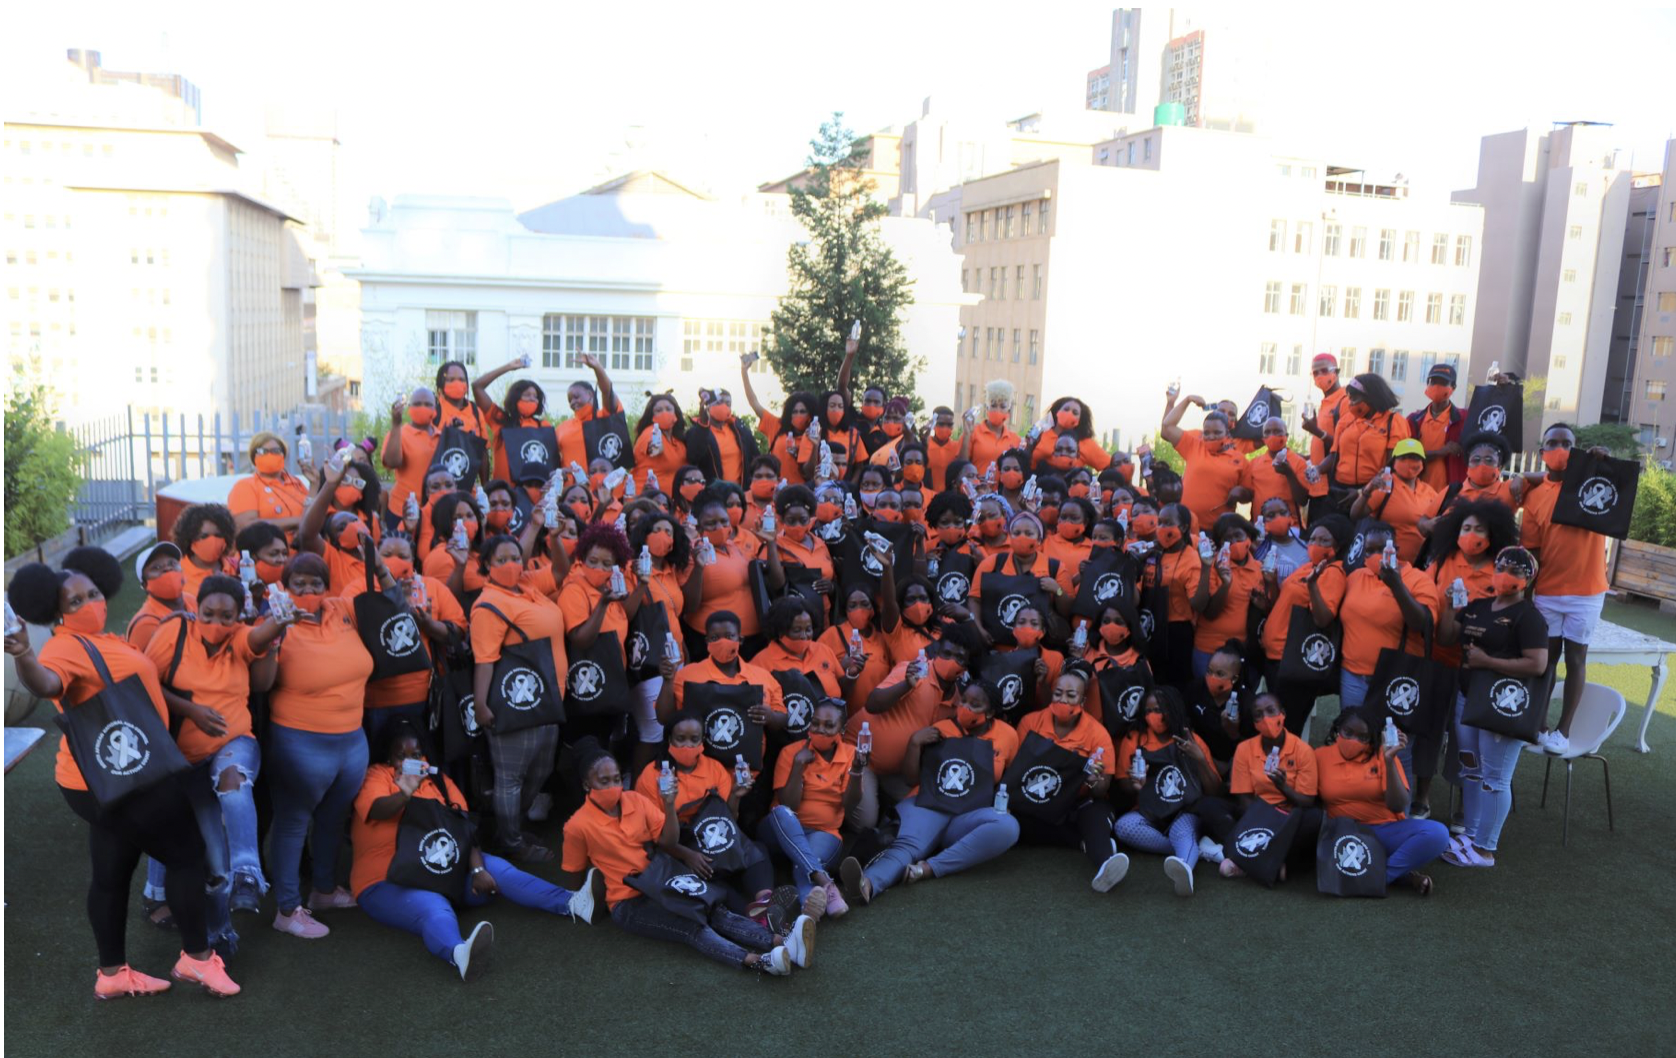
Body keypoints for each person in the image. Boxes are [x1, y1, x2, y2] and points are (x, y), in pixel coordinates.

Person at [5, 548, 241, 998]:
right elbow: (48, 682)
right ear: (55, 611)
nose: (90, 602)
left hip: (105, 780)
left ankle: (112, 975)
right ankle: (197, 959)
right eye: (75, 601)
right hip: (120, 778)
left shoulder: (106, 639)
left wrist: (187, 708)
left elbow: (139, 686)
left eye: (92, 592)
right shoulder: (63, 648)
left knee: (112, 871)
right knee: (188, 855)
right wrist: (24, 657)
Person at [352, 720, 601, 981]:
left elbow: (464, 829)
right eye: (400, 755)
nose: (409, 761)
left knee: (500, 870)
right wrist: (405, 792)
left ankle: (574, 903)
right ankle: (459, 953)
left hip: (442, 872)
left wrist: (478, 868)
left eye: (415, 754)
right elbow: (376, 809)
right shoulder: (377, 775)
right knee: (433, 906)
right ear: (388, 756)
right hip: (385, 880)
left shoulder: (437, 779)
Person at [560, 742, 811, 975]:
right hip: (629, 903)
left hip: (663, 880)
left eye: (616, 779)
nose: (613, 787)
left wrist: (669, 805)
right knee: (692, 927)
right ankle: (759, 962)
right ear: (586, 785)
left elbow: (668, 841)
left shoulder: (635, 800)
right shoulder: (577, 826)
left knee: (715, 910)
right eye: (604, 781)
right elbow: (574, 881)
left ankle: (784, 942)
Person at [140, 575, 286, 940]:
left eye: (226, 616)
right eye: (208, 613)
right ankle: (205, 927)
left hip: (232, 743)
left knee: (234, 783)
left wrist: (277, 625)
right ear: (195, 609)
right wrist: (190, 709)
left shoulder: (239, 637)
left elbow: (256, 644)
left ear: (238, 617)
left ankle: (248, 874)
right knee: (193, 843)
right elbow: (144, 682)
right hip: (179, 754)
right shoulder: (173, 631)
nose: (216, 623)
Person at [266, 550, 376, 939]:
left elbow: (385, 599)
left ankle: (325, 890)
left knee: (334, 816)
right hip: (299, 740)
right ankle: (287, 909)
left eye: (316, 583)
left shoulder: (343, 608)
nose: (309, 590)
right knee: (294, 822)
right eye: (300, 584)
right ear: (285, 587)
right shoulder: (276, 621)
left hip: (351, 738)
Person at [840, 679, 1021, 903]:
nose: (965, 708)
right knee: (907, 847)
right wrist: (915, 743)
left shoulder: (1008, 735)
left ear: (991, 711)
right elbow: (911, 778)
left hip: (966, 814)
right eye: (963, 701)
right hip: (928, 804)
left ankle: (929, 868)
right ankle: (867, 884)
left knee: (1008, 826)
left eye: (975, 704)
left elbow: (1008, 777)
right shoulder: (941, 729)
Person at [1437, 547, 1548, 868]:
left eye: (1515, 570)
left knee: (1494, 778)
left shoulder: (1529, 617)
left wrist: (1488, 662)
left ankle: (1485, 849)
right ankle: (1471, 836)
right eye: (1501, 566)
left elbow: (1538, 664)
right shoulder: (1478, 606)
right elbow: (1447, 637)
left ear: (1528, 579)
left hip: (1501, 705)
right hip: (1467, 699)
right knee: (1471, 771)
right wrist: (1447, 607)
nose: (1505, 574)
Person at [470, 533, 567, 861]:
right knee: (510, 779)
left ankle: (509, 828)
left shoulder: (529, 587)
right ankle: (511, 843)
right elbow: (484, 659)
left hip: (548, 701)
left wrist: (545, 529)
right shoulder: (487, 605)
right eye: (501, 560)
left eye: (515, 558)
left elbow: (561, 571)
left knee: (539, 772)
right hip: (516, 707)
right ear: (487, 566)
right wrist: (480, 703)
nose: (511, 564)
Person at [1522, 424, 1614, 754]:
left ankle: (1563, 730)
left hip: (1587, 590)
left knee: (1576, 659)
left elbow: (1622, 484)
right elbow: (1532, 549)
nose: (1560, 448)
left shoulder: (1592, 483)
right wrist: (1528, 592)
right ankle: (1538, 722)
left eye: (1567, 443)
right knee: (1547, 660)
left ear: (1577, 449)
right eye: (1553, 442)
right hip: (1547, 589)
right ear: (1542, 449)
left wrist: (1603, 461)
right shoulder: (1534, 496)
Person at [854, 623, 985, 828]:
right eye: (946, 653)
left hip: (898, 773)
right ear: (937, 651)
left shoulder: (959, 701)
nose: (950, 661)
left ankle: (883, 801)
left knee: (923, 812)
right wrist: (906, 685)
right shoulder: (913, 670)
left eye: (959, 658)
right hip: (860, 762)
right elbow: (872, 704)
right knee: (865, 822)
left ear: (966, 667)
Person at [1014, 665, 1128, 892]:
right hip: (1041, 801)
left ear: (1083, 701)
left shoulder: (1097, 733)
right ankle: (1079, 841)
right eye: (1058, 693)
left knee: (1096, 817)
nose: (1063, 699)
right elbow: (1018, 772)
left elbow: (1102, 787)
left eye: (1070, 695)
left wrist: (1095, 782)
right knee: (1016, 821)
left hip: (1080, 802)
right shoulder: (1030, 722)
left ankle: (1106, 865)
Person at [1315, 708, 1451, 895]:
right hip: (1342, 832)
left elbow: (1398, 805)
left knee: (1438, 833)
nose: (1354, 740)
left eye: (1363, 737)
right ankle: (1403, 876)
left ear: (1372, 738)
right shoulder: (1320, 756)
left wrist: (1389, 761)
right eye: (1348, 732)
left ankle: (1381, 877)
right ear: (1338, 729)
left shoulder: (1382, 755)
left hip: (1383, 831)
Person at [1112, 685, 1223, 896]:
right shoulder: (1134, 738)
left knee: (1181, 831)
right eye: (1148, 711)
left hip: (1185, 811)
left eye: (1160, 709)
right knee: (1124, 826)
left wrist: (1199, 759)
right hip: (1151, 812)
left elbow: (1215, 791)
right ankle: (1194, 850)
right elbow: (1123, 784)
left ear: (1173, 709)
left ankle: (1185, 870)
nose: (1154, 715)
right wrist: (1136, 783)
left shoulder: (1191, 739)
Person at [760, 699, 864, 919]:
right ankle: (827, 882)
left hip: (824, 833)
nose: (820, 729)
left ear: (841, 730)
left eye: (828, 725)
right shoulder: (791, 752)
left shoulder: (850, 754)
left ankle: (808, 917)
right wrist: (798, 766)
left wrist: (856, 772)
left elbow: (850, 804)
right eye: (815, 723)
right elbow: (789, 804)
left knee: (804, 864)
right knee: (781, 812)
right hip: (781, 830)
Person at [1208, 692, 1320, 881]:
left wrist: (1284, 786)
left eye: (1270, 711)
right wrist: (1263, 824)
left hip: (1288, 818)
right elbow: (1244, 799)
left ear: (1282, 713)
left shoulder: (1303, 751)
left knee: (1316, 818)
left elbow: (1307, 801)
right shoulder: (1244, 749)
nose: (1265, 718)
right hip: (1255, 815)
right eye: (1258, 715)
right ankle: (1271, 862)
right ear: (1254, 722)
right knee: (1209, 806)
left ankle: (1243, 857)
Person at [1260, 514, 1351, 735]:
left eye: (1324, 541)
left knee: (1285, 729)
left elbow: (1323, 618)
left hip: (1291, 661)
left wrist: (1312, 586)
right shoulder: (1309, 566)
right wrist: (1272, 585)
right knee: (1276, 725)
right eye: (1312, 539)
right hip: (1276, 657)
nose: (1315, 544)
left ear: (1337, 546)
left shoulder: (1332, 573)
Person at [1336, 520, 1439, 710]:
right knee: (1356, 732)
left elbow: (1423, 624)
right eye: (1369, 550)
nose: (1375, 555)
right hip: (1352, 675)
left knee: (1392, 738)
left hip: (1396, 676)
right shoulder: (1356, 577)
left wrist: (1396, 585)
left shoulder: (1418, 580)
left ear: (1395, 549)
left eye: (1381, 549)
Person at [680, 489, 765, 655]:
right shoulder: (691, 551)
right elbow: (689, 605)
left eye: (724, 522)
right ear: (698, 526)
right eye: (711, 523)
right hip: (712, 641)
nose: (719, 527)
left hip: (751, 640)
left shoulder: (734, 547)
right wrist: (698, 567)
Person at [1159, 394, 1249, 529]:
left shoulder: (1239, 459)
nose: (1211, 436)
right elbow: (1167, 426)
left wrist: (1240, 493)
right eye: (1207, 433)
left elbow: (1249, 494)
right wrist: (1187, 400)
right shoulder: (1194, 445)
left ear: (1227, 433)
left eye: (1217, 432)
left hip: (1219, 529)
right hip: (1187, 526)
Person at [1193, 514, 1265, 680]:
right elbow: (1209, 613)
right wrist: (1225, 585)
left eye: (1238, 536)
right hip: (1209, 648)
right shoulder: (1212, 566)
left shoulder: (1259, 569)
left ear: (1249, 536)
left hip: (1241, 650)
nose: (1234, 543)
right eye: (1227, 539)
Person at [1350, 438, 1440, 564]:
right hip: (1388, 564)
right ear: (1394, 461)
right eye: (1404, 458)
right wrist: (1368, 490)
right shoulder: (1385, 484)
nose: (1409, 462)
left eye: (1415, 458)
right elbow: (1355, 514)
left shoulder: (1428, 490)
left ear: (1422, 463)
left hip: (1420, 564)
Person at [1324, 373, 1412, 498]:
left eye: (1355, 398)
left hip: (1372, 492)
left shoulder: (1394, 422)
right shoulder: (1346, 420)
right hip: (1339, 489)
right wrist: (1315, 470)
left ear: (1371, 397)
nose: (1350, 403)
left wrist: (1363, 491)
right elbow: (1334, 455)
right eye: (1350, 398)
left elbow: (1392, 466)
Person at [380, 387, 442, 530]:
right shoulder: (398, 434)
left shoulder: (442, 436)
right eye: (417, 404)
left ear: (435, 409)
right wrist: (396, 425)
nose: (422, 407)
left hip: (434, 511)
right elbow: (392, 462)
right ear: (409, 408)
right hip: (402, 510)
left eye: (428, 404)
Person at [228, 431, 311, 533]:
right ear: (254, 457)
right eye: (263, 451)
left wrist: (315, 484)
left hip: (308, 543)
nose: (270, 455)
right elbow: (247, 525)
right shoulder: (246, 486)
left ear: (283, 455)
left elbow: (314, 514)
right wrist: (297, 522)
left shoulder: (296, 483)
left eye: (276, 451)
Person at [1242, 417, 1318, 522]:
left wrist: (1289, 474)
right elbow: (1248, 495)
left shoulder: (1299, 462)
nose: (1272, 435)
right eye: (1267, 432)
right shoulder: (1254, 463)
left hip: (1289, 528)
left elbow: (1303, 500)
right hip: (1260, 527)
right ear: (1263, 438)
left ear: (1286, 436)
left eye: (1277, 431)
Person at [126, 542, 196, 651]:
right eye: (156, 567)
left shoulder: (191, 600)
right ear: (145, 584)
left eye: (172, 563)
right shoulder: (145, 624)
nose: (167, 569)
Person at [1407, 363, 1465, 490]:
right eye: (1433, 381)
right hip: (1418, 493)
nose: (1436, 386)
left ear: (1453, 387)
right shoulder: (1414, 420)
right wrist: (1441, 452)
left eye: (1443, 382)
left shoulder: (1463, 419)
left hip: (1449, 496)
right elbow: (1408, 457)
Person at [687, 387, 759, 487]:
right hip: (712, 494)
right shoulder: (697, 432)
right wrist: (702, 426)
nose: (724, 406)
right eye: (719, 402)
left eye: (728, 403)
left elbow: (756, 458)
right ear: (708, 405)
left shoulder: (741, 431)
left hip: (740, 495)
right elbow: (693, 457)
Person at [172, 503, 238, 597]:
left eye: (218, 535)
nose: (212, 541)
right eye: (204, 536)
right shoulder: (176, 574)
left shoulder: (236, 568)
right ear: (189, 538)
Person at [632, 392, 692, 493]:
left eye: (668, 409)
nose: (665, 413)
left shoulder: (678, 439)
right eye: (658, 410)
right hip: (647, 500)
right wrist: (655, 447)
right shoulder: (650, 432)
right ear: (652, 415)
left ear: (675, 413)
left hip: (671, 502)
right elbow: (653, 445)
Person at [964, 379, 1024, 474]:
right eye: (994, 405)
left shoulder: (1016, 440)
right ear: (987, 408)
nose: (997, 410)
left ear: (1008, 411)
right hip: (977, 487)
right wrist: (966, 435)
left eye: (1003, 406)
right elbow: (961, 464)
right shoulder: (973, 432)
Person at [1252, 496, 1309, 581]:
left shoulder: (1306, 544)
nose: (1278, 518)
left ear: (1290, 516)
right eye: (1271, 515)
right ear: (1264, 522)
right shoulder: (1261, 552)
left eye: (1283, 513)